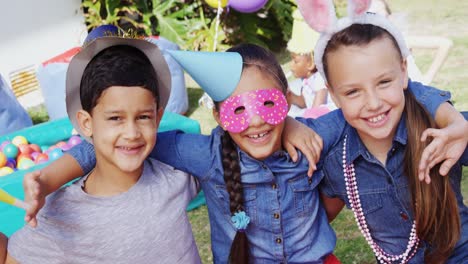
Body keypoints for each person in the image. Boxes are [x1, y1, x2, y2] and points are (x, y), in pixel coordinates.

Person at [18, 40, 466, 263]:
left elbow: (407, 93)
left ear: (285, 99)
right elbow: (124, 144)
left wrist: (452, 119)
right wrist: (51, 175)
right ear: (217, 114)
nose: (254, 122)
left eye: (268, 105)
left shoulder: (318, 132)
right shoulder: (202, 154)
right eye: (237, 110)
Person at [1, 26, 201, 264]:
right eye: (115, 118)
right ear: (86, 123)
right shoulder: (63, 213)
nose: (131, 133)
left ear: (157, 117)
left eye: (143, 117)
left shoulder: (178, 175)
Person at [292, 0, 467, 263]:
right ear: (333, 94)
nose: (373, 103)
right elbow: (316, 218)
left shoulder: (443, 130)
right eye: (352, 91)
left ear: (404, 71)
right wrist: (287, 128)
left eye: (384, 82)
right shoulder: (335, 159)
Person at [286, 9, 334, 118]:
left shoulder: (320, 79)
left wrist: (306, 120)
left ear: (310, 64)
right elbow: (304, 103)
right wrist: (291, 96)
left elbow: (317, 109)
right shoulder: (305, 80)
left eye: (296, 61)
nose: (291, 65)